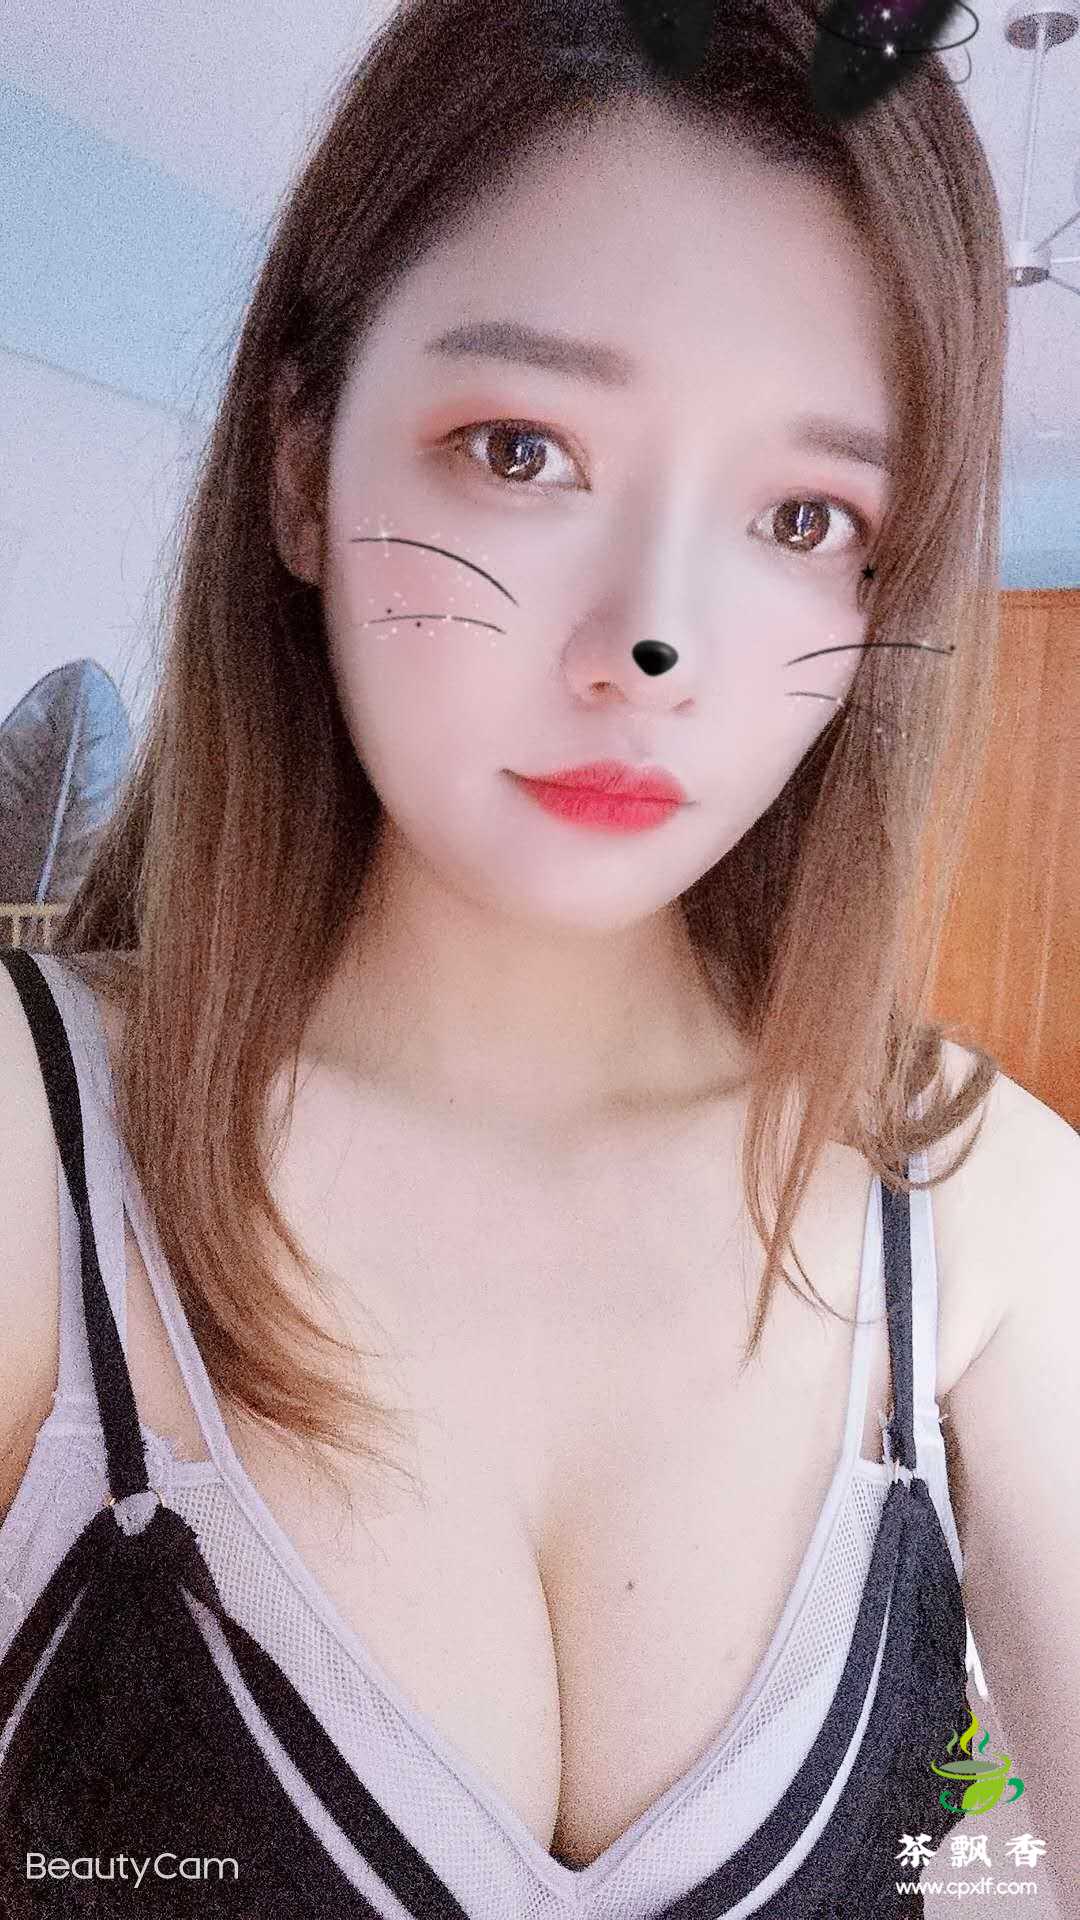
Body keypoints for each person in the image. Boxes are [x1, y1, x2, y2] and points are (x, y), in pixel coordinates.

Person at [1, 0, 1077, 1912]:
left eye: (804, 515)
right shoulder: (33, 1147)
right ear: (301, 466)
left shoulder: (983, 1204)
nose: (651, 643)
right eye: (522, 449)